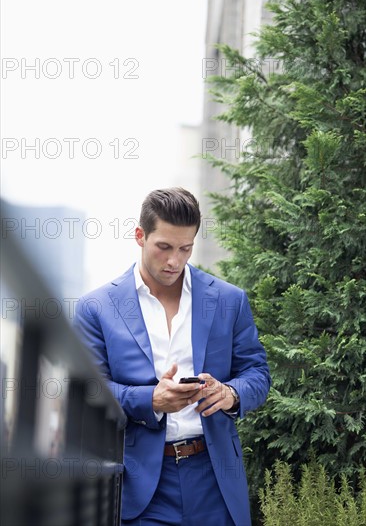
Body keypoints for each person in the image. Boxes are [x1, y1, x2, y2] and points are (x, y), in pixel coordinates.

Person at [74, 187, 271, 526]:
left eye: (185, 249)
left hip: (215, 480)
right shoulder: (96, 308)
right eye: (164, 247)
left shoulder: (228, 299)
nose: (174, 261)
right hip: (140, 486)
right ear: (140, 236)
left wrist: (230, 394)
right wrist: (151, 399)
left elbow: (257, 372)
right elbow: (87, 392)